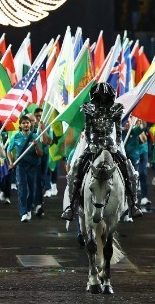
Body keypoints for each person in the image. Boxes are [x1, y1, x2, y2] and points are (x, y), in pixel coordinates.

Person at [61, 82, 143, 221]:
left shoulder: (116, 109)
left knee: (129, 170)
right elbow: (87, 131)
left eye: (105, 95)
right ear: (95, 96)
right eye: (100, 95)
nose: (103, 97)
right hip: (94, 145)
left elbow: (118, 132)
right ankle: (72, 205)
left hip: (111, 145)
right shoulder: (89, 109)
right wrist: (91, 143)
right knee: (76, 169)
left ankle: (132, 204)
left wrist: (116, 144)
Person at [8, 114, 50, 222]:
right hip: (21, 167)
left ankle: (29, 208)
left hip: (33, 167)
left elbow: (40, 153)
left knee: (32, 190)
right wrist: (11, 162)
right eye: (23, 123)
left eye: (27, 123)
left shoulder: (35, 136)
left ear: (30, 124)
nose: (26, 125)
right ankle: (24, 212)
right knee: (22, 189)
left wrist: (36, 145)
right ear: (20, 125)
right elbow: (9, 150)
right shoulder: (16, 137)